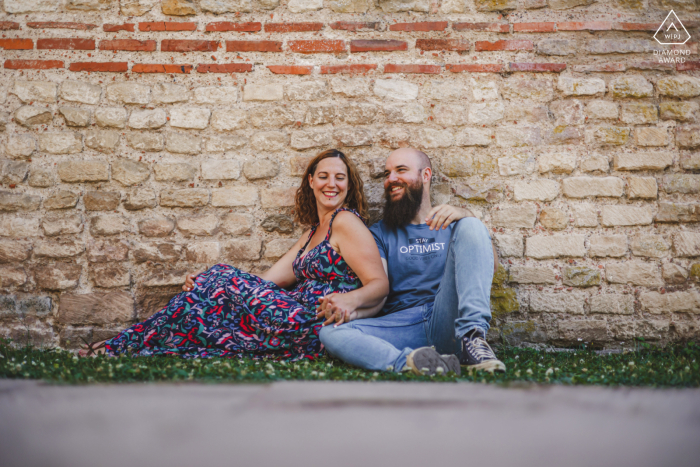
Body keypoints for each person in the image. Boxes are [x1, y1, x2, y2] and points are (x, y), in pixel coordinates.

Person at [79, 149, 389, 360]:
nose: (331, 184)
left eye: (339, 177)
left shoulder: (346, 222)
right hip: (286, 316)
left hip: (314, 322)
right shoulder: (312, 233)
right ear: (311, 181)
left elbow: (379, 284)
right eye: (323, 176)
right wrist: (208, 285)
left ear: (350, 185)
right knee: (201, 301)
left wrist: (351, 300)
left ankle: (114, 347)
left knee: (218, 276)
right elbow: (263, 284)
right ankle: (120, 347)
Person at [317, 148, 505, 375]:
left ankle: (472, 340)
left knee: (473, 224)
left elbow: (489, 267)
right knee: (330, 333)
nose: (391, 179)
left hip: (448, 318)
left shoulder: (456, 226)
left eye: (401, 170)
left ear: (426, 175)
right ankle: (414, 362)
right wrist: (351, 310)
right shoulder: (379, 233)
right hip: (404, 324)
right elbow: (380, 293)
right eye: (388, 173)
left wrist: (466, 214)